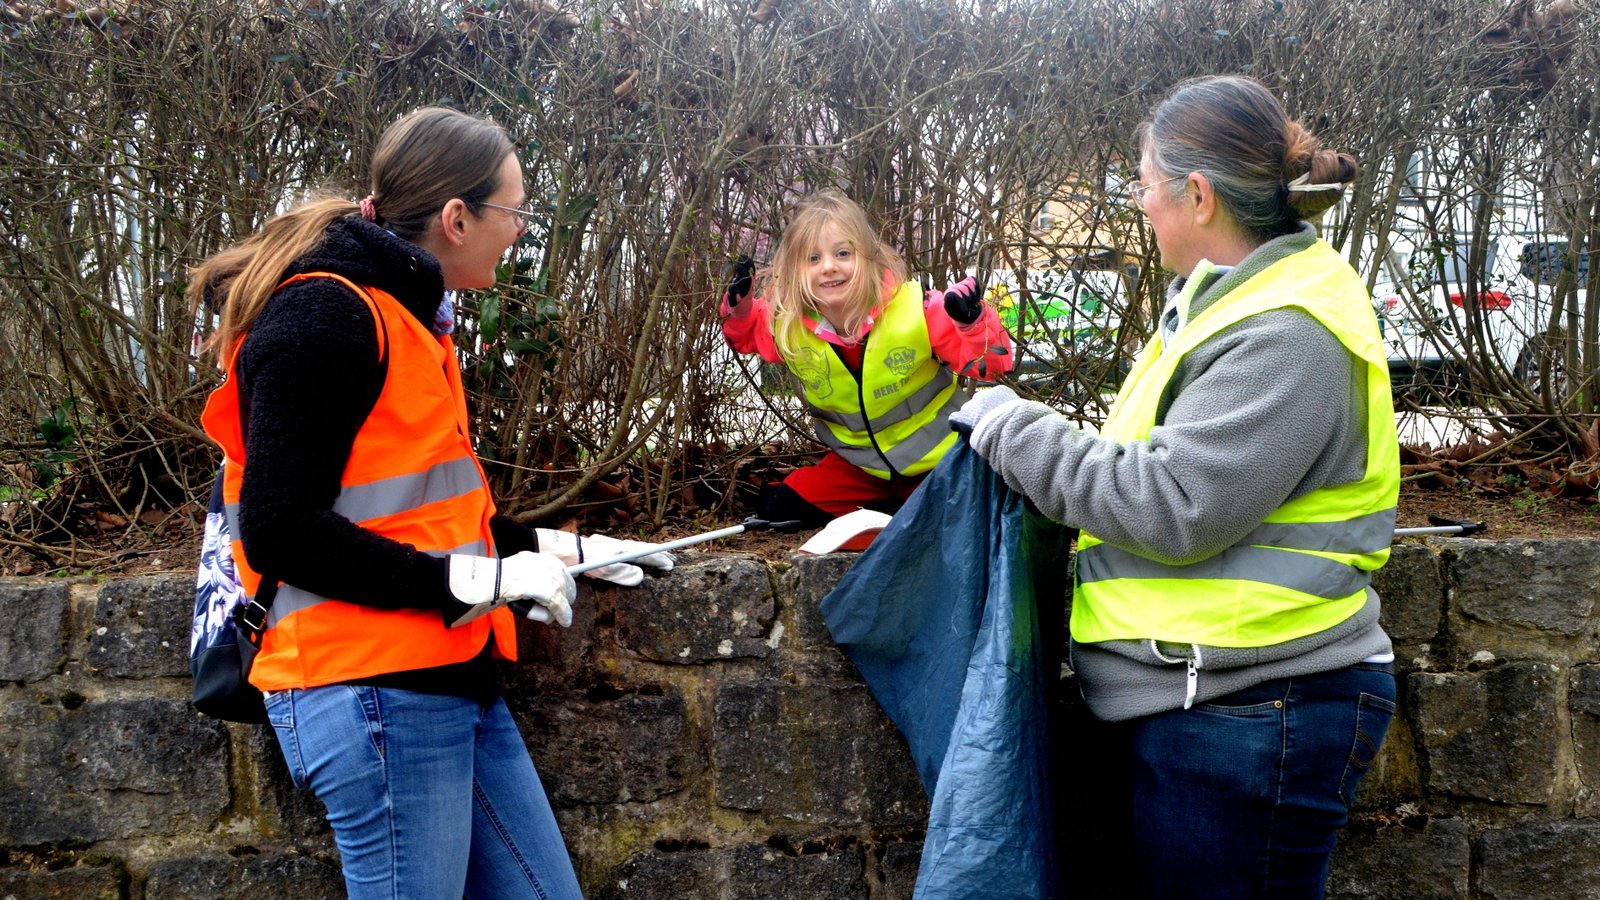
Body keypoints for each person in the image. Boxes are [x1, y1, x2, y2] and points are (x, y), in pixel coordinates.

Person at [193, 106, 671, 899]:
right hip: (369, 690)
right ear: (457, 218)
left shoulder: (407, 318)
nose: (521, 231)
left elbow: (423, 515)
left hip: (442, 675)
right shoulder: (327, 315)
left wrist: (561, 550)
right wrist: (476, 583)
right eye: (514, 211)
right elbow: (281, 530)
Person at [951, 75, 1401, 898]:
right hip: (1209, 703)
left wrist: (1013, 429)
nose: (1141, 204)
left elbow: (1175, 504)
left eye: (1146, 186)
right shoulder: (1225, 306)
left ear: (1197, 195)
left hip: (1254, 712)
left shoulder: (1287, 331)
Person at [721, 190, 1013, 527]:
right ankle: (892, 509)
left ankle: (904, 510)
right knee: (778, 507)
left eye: (843, 253)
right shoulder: (788, 324)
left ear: (869, 258)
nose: (829, 267)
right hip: (858, 469)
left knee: (967, 511)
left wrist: (972, 322)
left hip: (940, 459)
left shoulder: (918, 308)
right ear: (794, 270)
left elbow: (991, 366)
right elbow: (747, 334)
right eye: (813, 259)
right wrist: (739, 309)